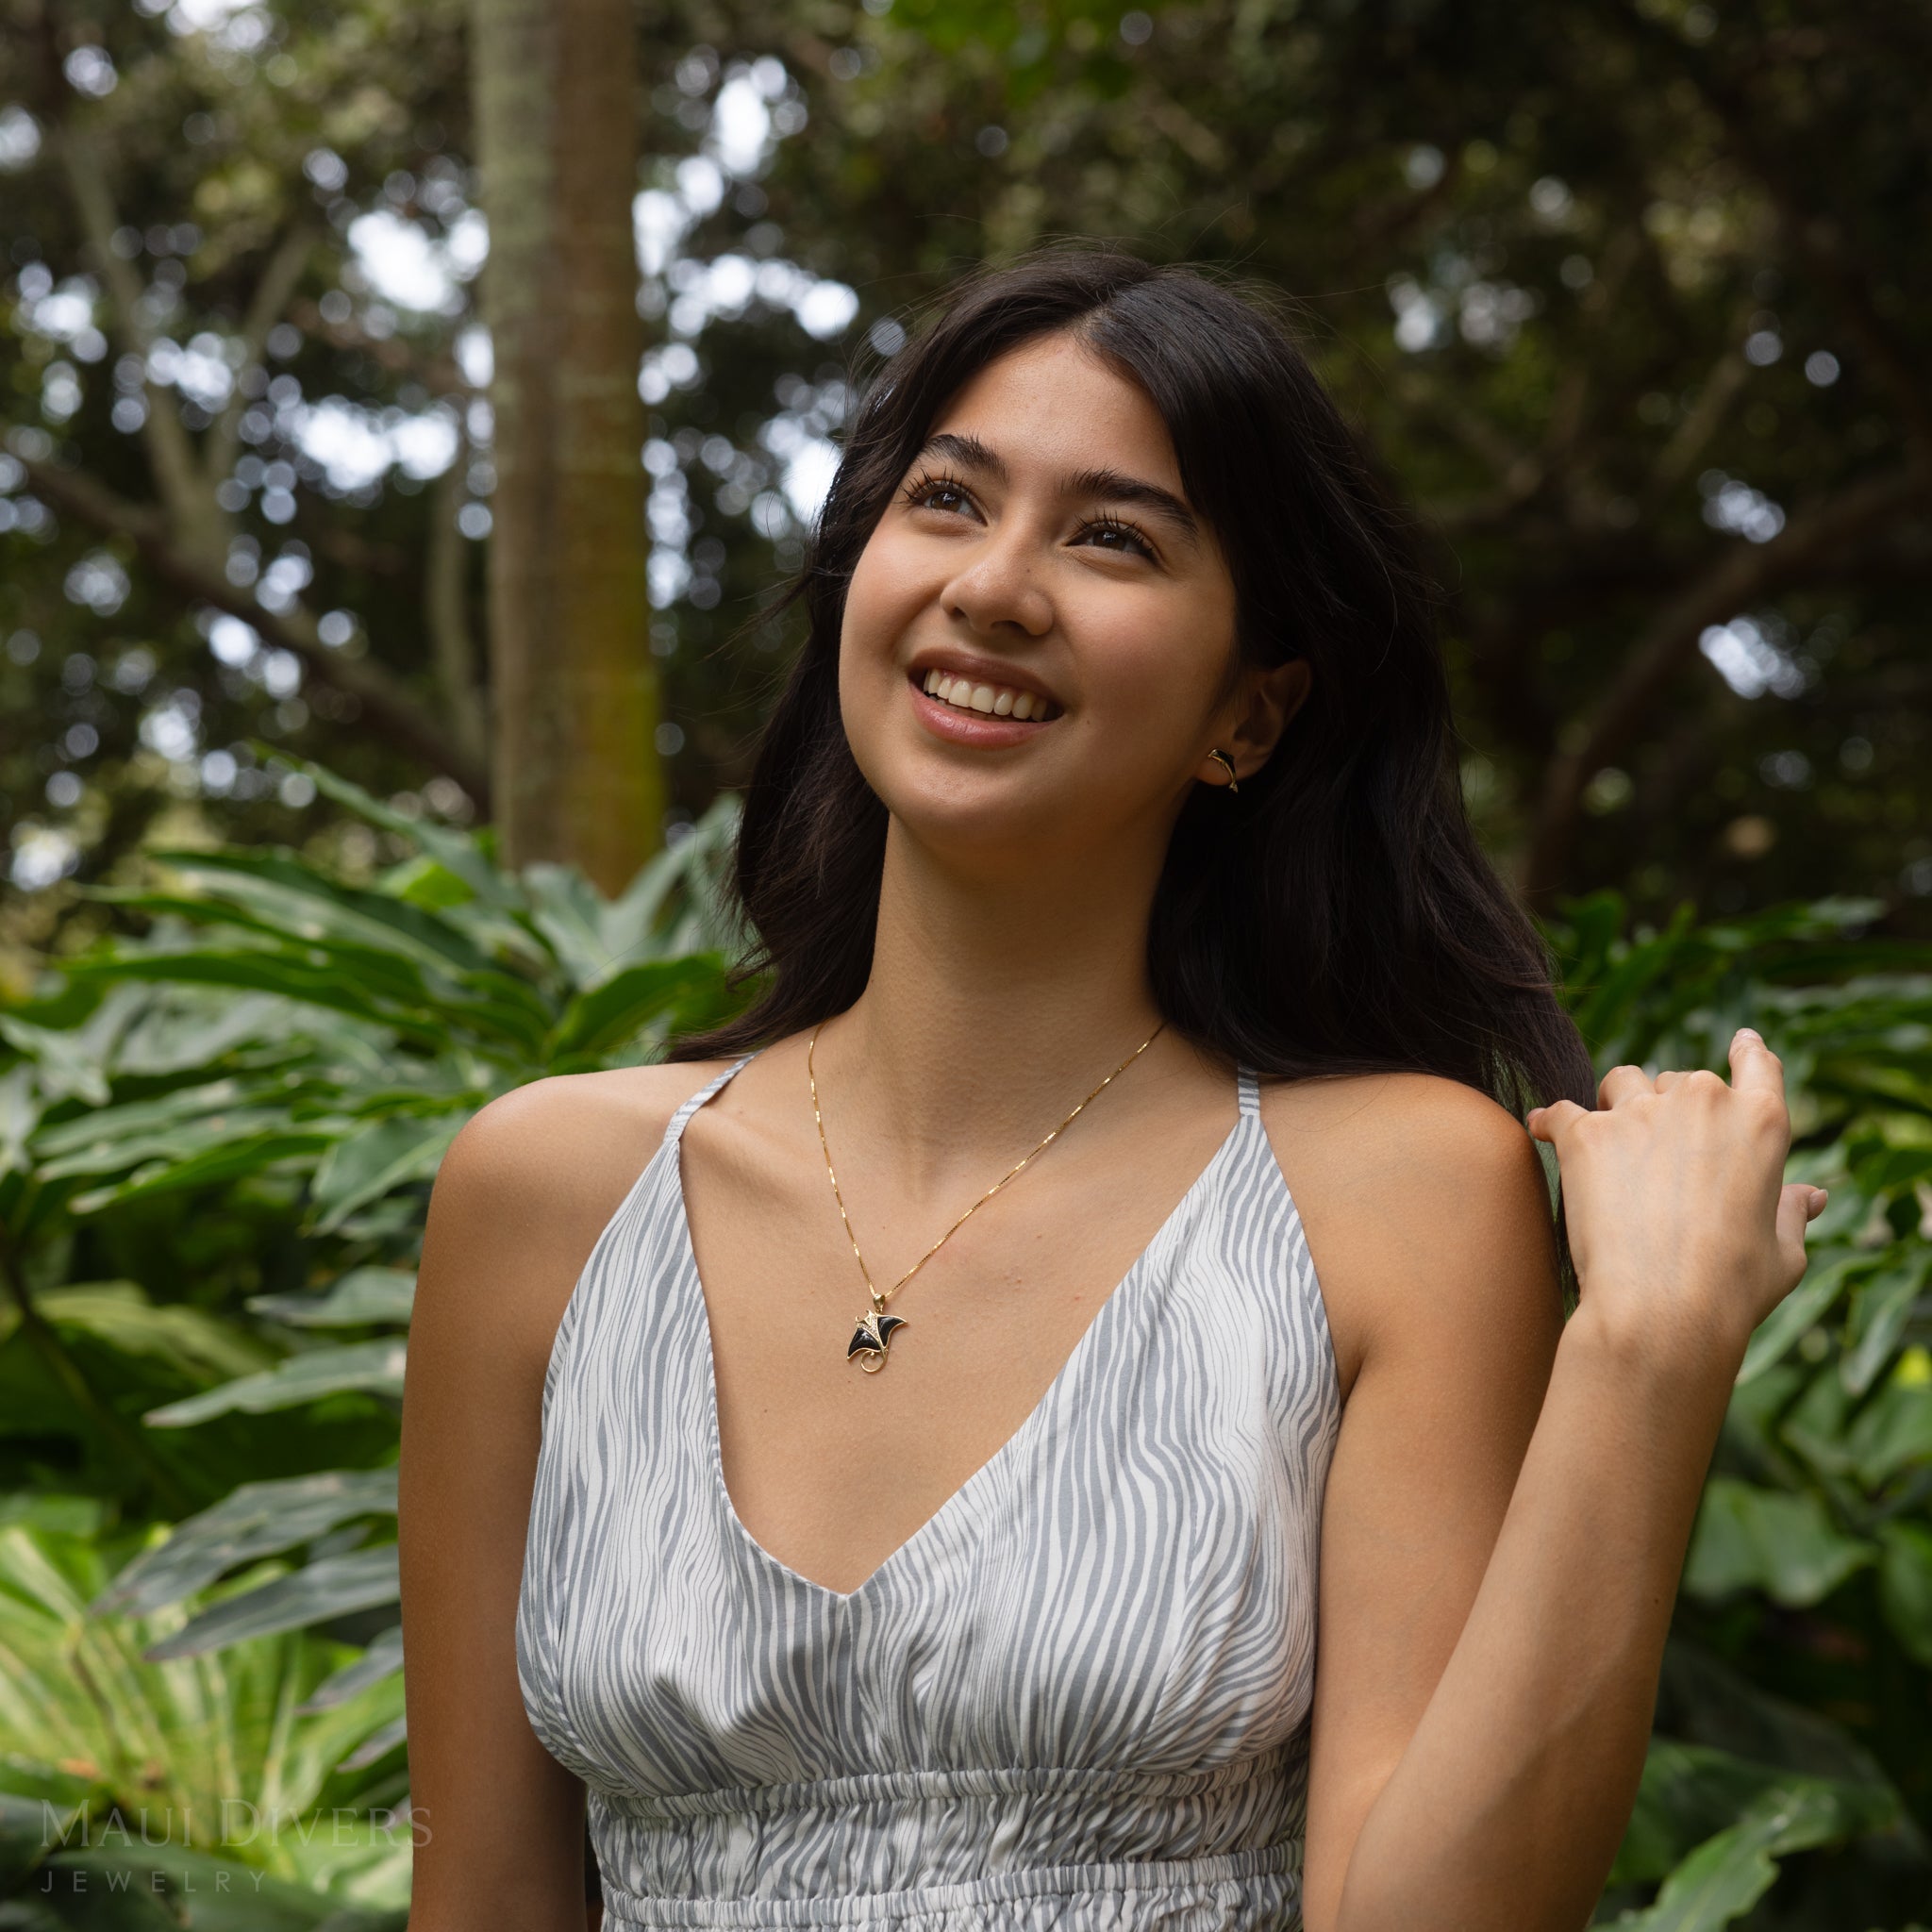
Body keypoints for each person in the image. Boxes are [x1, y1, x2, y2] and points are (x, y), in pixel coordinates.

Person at [397, 250, 1824, 1932]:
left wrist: (1646, 1364)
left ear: (1249, 711)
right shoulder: (545, 1196)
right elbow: (484, 1898)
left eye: (1113, 536)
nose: (996, 586)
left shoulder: (1390, 1194)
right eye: (948, 500)